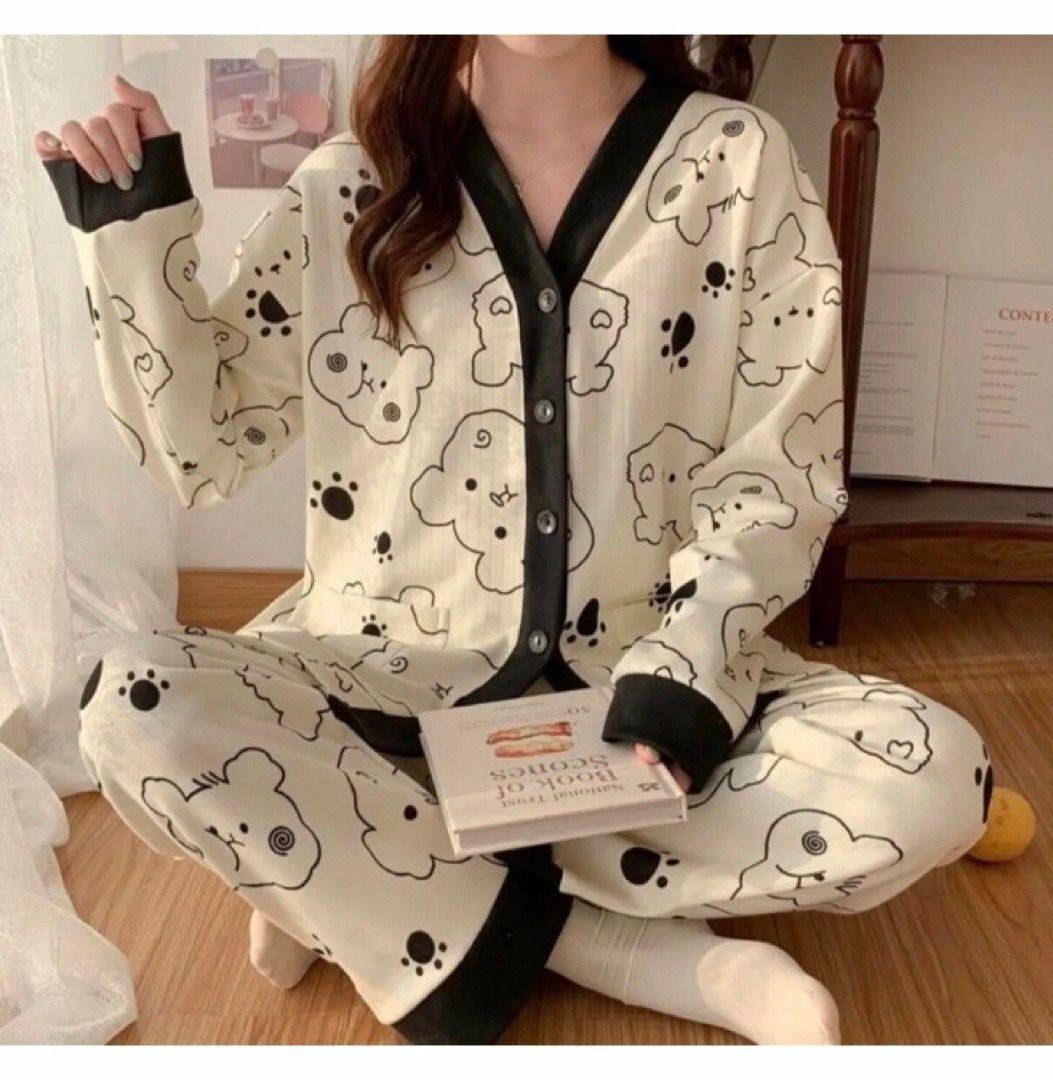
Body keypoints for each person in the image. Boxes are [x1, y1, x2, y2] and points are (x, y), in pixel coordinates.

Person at [35, 34, 992, 1045]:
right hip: (384, 687)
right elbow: (203, 452)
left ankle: (352, 867)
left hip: (639, 693)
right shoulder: (353, 181)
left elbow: (776, 473)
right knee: (132, 703)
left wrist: (687, 666)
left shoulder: (740, 162)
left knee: (936, 774)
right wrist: (132, 229)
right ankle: (649, 957)